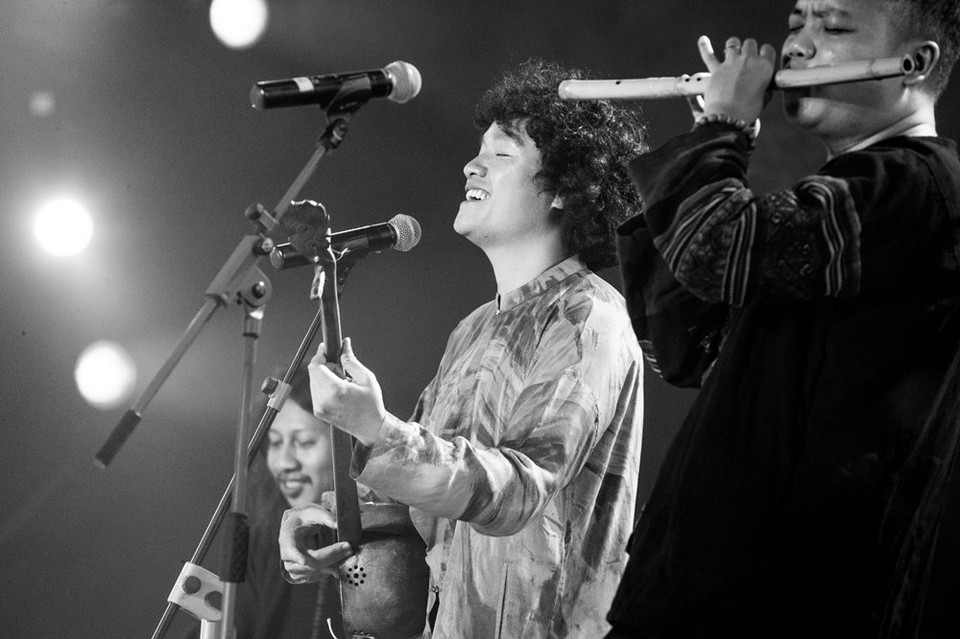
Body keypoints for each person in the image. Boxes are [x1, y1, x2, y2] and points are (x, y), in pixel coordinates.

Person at [607, 1, 960, 638]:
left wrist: (719, 134)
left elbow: (718, 252)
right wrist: (708, 149)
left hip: (785, 602)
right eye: (798, 23)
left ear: (917, 63)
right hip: (703, 591)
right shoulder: (845, 193)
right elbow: (689, 350)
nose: (796, 46)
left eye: (834, 27)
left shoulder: (921, 187)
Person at [278, 59, 647, 638]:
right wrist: (327, 519)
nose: (472, 164)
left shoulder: (587, 316)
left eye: (502, 155)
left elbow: (520, 488)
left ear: (567, 190)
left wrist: (378, 429)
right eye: (479, 150)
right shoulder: (473, 330)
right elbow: (419, 502)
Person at [182, 366, 343, 639]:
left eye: (304, 442)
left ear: (346, 444)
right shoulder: (262, 543)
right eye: (275, 443)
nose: (283, 462)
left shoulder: (383, 537)